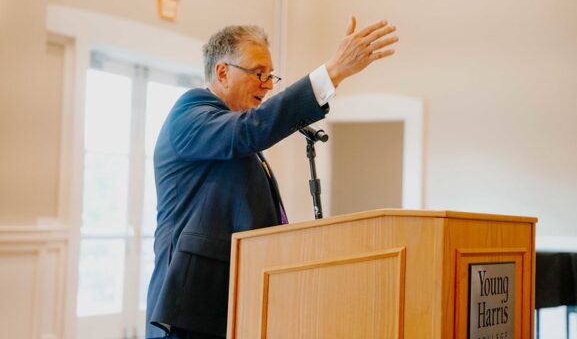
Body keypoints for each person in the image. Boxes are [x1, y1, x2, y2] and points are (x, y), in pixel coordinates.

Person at [145, 17, 398, 339]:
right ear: (222, 72)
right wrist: (331, 73)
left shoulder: (232, 130)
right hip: (190, 306)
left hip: (231, 301)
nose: (267, 84)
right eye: (258, 73)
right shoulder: (190, 112)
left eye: (270, 75)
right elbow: (250, 130)